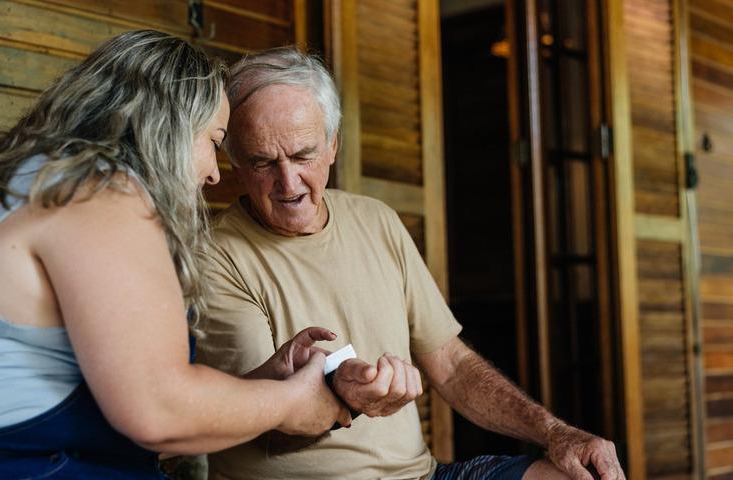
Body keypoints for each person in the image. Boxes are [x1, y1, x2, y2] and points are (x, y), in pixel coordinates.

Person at [0, 31, 351, 479]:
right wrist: (290, 404)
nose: (212, 174)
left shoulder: (26, 184)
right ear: (169, 128)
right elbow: (157, 413)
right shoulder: (99, 193)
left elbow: (126, 417)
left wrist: (264, 385)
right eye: (214, 142)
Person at [196, 47, 626, 480]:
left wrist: (555, 432)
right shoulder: (217, 253)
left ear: (332, 144)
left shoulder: (376, 220)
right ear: (234, 162)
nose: (289, 183)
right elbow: (253, 425)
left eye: (304, 155)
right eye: (263, 162)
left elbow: (453, 365)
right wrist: (345, 400)